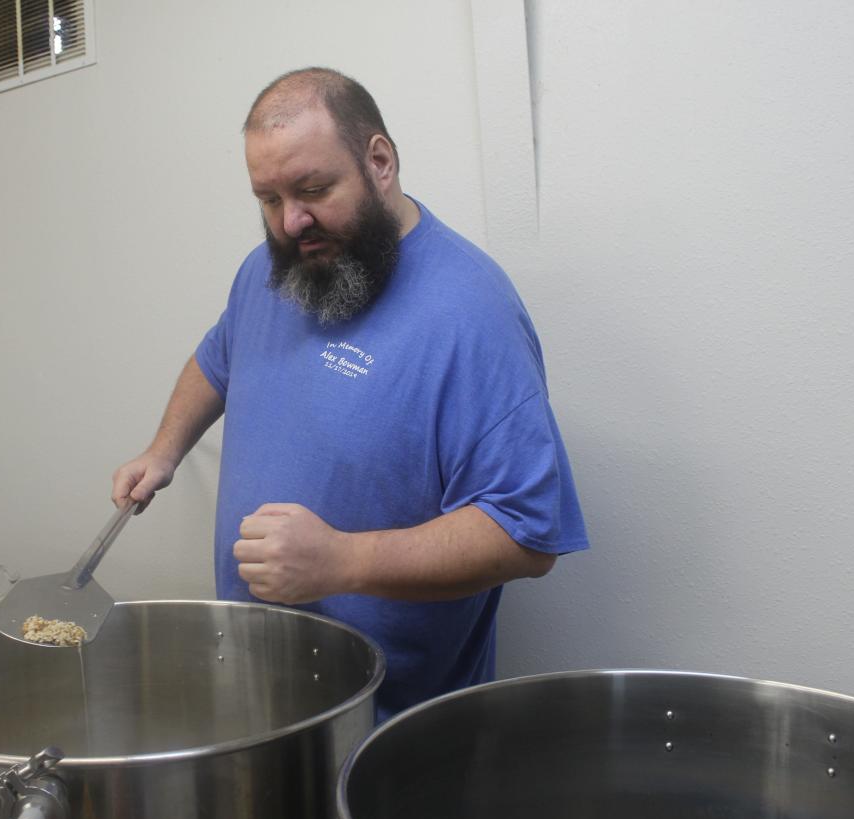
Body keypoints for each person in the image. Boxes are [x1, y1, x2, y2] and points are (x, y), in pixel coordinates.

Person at [112, 67, 588, 722]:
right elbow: (219, 359)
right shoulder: (269, 271)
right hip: (262, 698)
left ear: (380, 161)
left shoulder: (471, 313)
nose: (291, 221)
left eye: (313, 189)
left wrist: (344, 560)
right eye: (268, 199)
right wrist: (163, 450)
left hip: (393, 730)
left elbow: (526, 535)